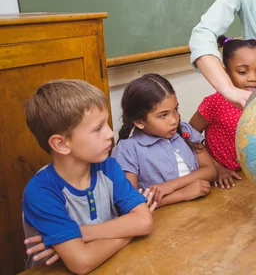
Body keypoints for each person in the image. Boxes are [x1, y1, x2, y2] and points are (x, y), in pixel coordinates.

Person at [21, 80, 153, 273]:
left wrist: (80, 234)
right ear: (61, 144)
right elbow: (82, 262)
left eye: (107, 123)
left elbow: (144, 222)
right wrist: (130, 230)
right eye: (98, 128)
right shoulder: (41, 191)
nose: (110, 133)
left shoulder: (108, 166)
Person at [112, 74, 216, 208]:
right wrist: (182, 194)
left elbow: (210, 171)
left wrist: (170, 186)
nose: (174, 120)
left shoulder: (185, 131)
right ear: (139, 122)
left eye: (175, 110)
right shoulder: (128, 149)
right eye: (163, 115)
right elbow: (130, 203)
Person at [189, 35, 256, 188]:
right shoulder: (214, 103)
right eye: (243, 72)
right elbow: (188, 136)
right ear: (225, 73)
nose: (252, 78)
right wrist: (216, 168)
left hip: (254, 177)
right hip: (224, 180)